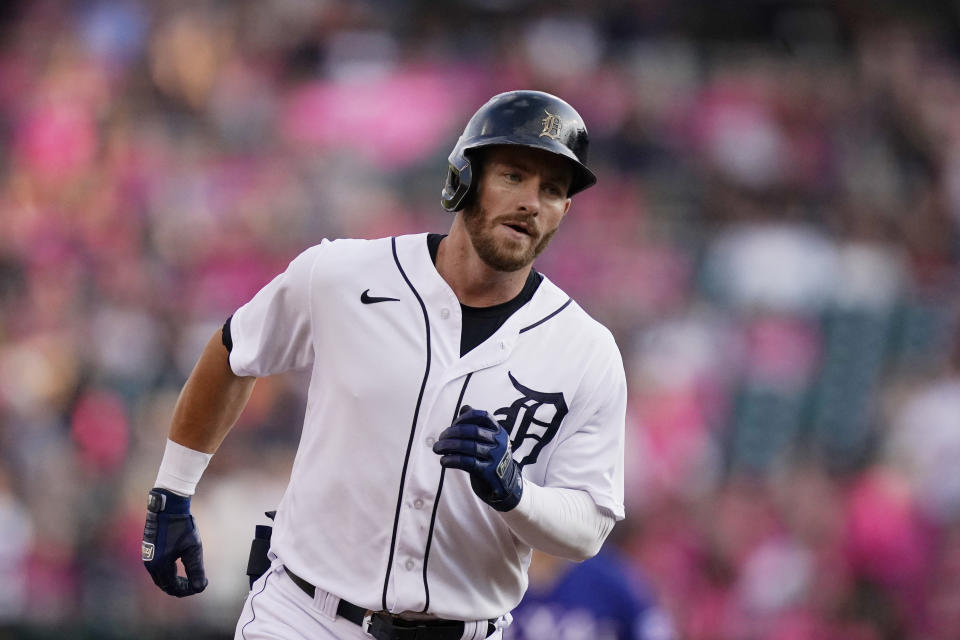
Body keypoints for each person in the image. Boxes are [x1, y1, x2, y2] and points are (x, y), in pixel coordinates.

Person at [141, 90, 627, 640]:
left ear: (565, 210)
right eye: (514, 176)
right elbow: (235, 352)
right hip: (304, 616)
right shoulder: (344, 274)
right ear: (464, 177)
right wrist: (173, 492)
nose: (531, 202)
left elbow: (588, 528)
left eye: (553, 190)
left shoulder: (587, 350)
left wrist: (516, 492)